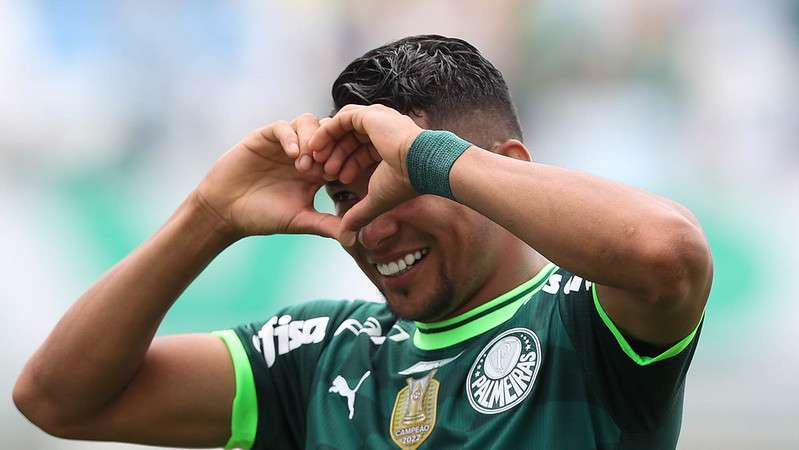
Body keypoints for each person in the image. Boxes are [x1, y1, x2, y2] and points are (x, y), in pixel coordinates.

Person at [13, 35, 712, 450]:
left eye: (403, 188)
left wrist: (427, 157)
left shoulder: (587, 319)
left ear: (505, 169)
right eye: (347, 198)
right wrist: (208, 215)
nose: (371, 226)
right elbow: (57, 399)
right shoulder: (317, 355)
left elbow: (669, 252)